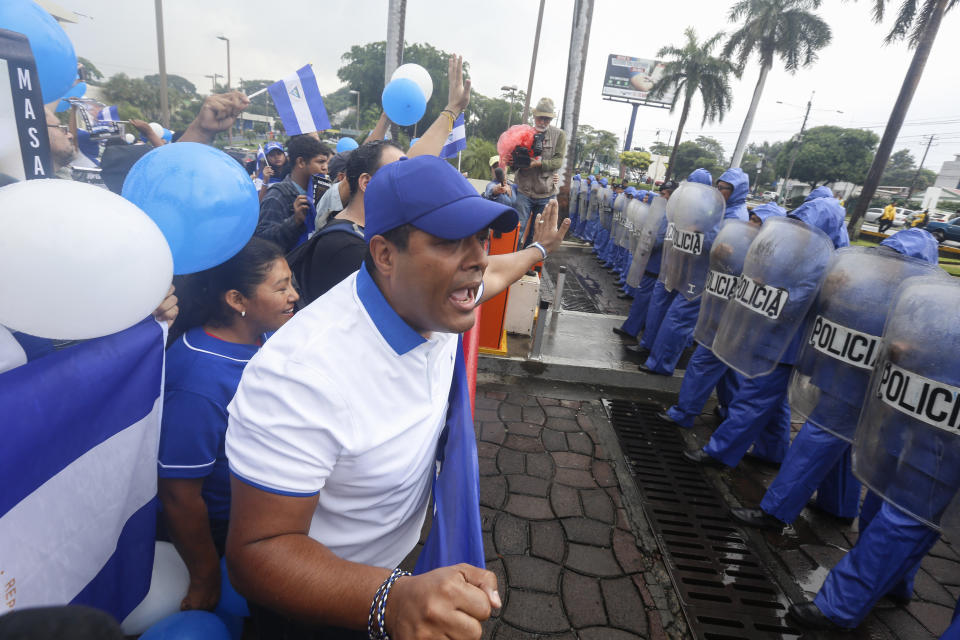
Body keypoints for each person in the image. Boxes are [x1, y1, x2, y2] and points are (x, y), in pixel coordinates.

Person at [224, 155, 569, 639]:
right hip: (320, 601)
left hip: (395, 569)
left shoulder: (434, 298)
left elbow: (492, 276)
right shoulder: (300, 377)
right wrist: (390, 599)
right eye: (450, 241)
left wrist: (536, 250)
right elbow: (257, 552)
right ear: (385, 254)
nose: (476, 258)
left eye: (481, 238)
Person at [731, 228, 941, 531]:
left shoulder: (924, 302)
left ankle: (776, 510)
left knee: (816, 439)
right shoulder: (871, 282)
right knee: (842, 441)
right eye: (886, 254)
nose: (887, 262)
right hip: (849, 374)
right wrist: (831, 290)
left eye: (896, 258)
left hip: (860, 382)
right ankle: (839, 505)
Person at [158, 238, 298, 611]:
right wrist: (205, 578)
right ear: (237, 301)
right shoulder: (198, 381)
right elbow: (179, 495)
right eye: (281, 287)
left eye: (291, 283)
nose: (294, 296)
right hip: (223, 529)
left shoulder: (263, 334)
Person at [685, 187, 850, 468]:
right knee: (772, 403)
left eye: (803, 226)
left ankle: (720, 452)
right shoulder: (810, 252)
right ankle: (772, 452)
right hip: (779, 339)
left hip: (785, 342)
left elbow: (794, 299)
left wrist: (766, 285)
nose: (797, 230)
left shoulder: (826, 262)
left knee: (751, 399)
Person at [658, 202, 787, 428]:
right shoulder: (744, 242)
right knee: (729, 369)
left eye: (758, 221)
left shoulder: (774, 256)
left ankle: (685, 412)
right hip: (725, 318)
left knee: (704, 363)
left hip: (738, 323)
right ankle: (727, 410)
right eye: (752, 218)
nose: (751, 223)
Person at [639, 168, 748, 375]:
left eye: (723, 188)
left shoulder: (736, 215)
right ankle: (655, 355)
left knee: (679, 319)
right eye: (718, 186)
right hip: (693, 270)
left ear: (736, 191)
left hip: (705, 277)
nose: (718, 190)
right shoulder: (719, 207)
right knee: (672, 314)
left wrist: (696, 232)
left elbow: (722, 244)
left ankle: (661, 364)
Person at [287, 140, 404, 305]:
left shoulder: (358, 234)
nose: (408, 180)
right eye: (398, 172)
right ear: (366, 183)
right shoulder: (349, 247)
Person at [629, 178, 684, 357]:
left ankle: (645, 342)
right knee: (647, 300)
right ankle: (633, 330)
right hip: (654, 262)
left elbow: (661, 238)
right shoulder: (666, 211)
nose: (661, 197)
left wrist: (649, 242)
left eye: (665, 194)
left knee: (655, 305)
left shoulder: (675, 214)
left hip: (660, 264)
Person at [255, 135, 332, 252]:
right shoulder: (277, 196)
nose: (325, 168)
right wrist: (295, 221)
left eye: (327, 163)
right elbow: (262, 241)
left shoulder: (323, 192)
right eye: (320, 162)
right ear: (301, 162)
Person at [513, 97, 567, 248]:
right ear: (534, 116)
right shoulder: (523, 132)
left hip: (545, 192)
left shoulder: (559, 135)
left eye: (547, 119)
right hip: (523, 189)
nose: (543, 122)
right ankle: (512, 260)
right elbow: (513, 158)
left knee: (538, 232)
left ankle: (528, 264)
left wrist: (538, 164)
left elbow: (558, 162)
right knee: (518, 227)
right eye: (540, 118)